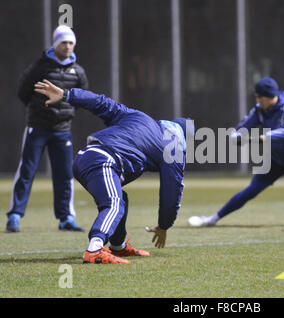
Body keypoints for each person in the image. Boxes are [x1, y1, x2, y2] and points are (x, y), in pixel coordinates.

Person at [34, 79, 194, 264]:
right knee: (114, 203)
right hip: (105, 160)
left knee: (120, 198)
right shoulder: (173, 147)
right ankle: (94, 249)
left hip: (86, 157)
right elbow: (171, 192)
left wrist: (67, 95)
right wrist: (164, 225)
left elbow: (102, 102)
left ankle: (117, 247)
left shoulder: (140, 117)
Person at [188, 77, 284, 230]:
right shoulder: (259, 111)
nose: (257, 100)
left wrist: (262, 137)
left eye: (260, 97)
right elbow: (240, 130)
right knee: (251, 190)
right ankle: (213, 219)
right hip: (277, 158)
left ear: (271, 96)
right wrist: (238, 138)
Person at [6, 25, 88, 233]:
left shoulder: (78, 71)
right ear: (55, 43)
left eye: (71, 43)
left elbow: (82, 97)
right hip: (38, 127)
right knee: (27, 170)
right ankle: (15, 215)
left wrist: (66, 114)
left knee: (65, 174)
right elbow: (23, 91)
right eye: (64, 42)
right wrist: (38, 110)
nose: (67, 46)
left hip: (63, 130)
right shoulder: (40, 67)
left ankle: (66, 217)